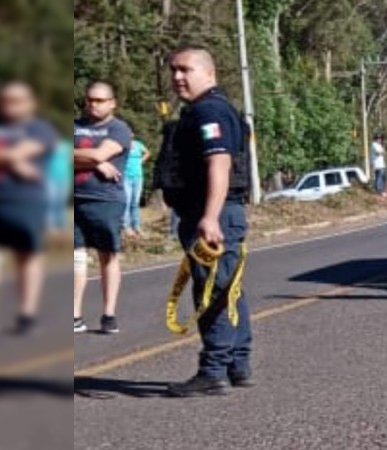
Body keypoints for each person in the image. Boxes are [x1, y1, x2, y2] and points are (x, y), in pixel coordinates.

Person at [160, 45, 252, 397]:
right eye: (173, 70)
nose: (177, 77)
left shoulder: (209, 110)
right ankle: (237, 364)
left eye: (186, 69)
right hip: (214, 212)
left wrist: (209, 217)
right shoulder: (202, 110)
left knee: (212, 290)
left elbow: (219, 164)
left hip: (212, 214)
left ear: (209, 73)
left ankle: (213, 371)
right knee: (229, 289)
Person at [0, 81, 58, 335]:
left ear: (30, 103)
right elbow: (15, 156)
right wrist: (12, 160)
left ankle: (26, 313)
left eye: (17, 100)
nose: (10, 105)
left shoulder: (39, 128)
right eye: (5, 100)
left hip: (25, 202)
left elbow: (23, 153)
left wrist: (1, 158)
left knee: (26, 257)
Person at [73, 81, 132, 334]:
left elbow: (100, 154)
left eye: (99, 100)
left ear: (112, 103)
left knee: (107, 255)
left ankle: (109, 314)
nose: (92, 104)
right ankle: (74, 315)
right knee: (75, 256)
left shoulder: (119, 129)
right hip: (73, 197)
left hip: (105, 200)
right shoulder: (74, 125)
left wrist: (93, 159)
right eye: (89, 99)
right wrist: (96, 163)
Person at [122, 134, 150, 237]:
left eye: (131, 132)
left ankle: (137, 227)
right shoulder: (122, 144)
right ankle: (126, 227)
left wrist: (141, 161)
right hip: (126, 177)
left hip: (138, 177)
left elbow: (147, 153)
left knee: (135, 203)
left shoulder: (138, 144)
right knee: (127, 202)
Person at [46, 139, 72, 236]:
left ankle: (62, 227)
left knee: (61, 203)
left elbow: (69, 160)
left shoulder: (66, 146)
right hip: (49, 177)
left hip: (64, 177)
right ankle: (51, 228)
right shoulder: (47, 144)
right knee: (50, 203)